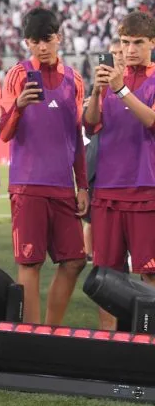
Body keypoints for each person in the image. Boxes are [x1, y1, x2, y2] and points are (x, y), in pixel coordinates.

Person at [0, 8, 88, 326]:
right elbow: (4, 133)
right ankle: (32, 335)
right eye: (35, 41)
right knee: (30, 263)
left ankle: (50, 330)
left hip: (63, 186)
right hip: (28, 185)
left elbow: (77, 136)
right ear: (27, 42)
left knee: (75, 260)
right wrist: (19, 106)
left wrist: (83, 186)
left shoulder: (75, 79)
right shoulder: (16, 75)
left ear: (58, 37)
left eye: (47, 39)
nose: (42, 47)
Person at [84, 11, 155, 330]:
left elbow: (152, 121)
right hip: (107, 191)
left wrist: (121, 89)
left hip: (145, 189)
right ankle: (108, 343)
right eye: (125, 42)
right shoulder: (112, 78)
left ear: (152, 43)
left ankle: (149, 343)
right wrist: (97, 91)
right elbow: (90, 124)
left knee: (150, 273)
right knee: (106, 277)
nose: (130, 49)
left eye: (138, 42)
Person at [83, 40, 124, 260]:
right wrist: (95, 95)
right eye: (113, 53)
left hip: (133, 172)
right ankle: (90, 254)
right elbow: (90, 125)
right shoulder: (101, 86)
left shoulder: (145, 82)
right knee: (92, 219)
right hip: (100, 165)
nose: (117, 57)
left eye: (120, 52)